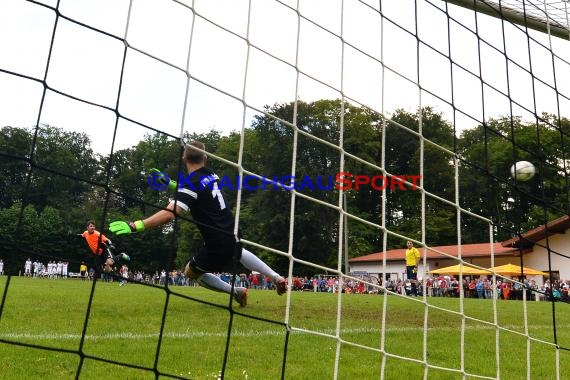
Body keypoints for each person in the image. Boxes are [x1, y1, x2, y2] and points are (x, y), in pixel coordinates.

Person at [109, 141, 287, 307]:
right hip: (232, 230)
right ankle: (276, 277)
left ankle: (237, 292)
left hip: (215, 241)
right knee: (238, 252)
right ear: (205, 158)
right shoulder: (210, 174)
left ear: (183, 158)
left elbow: (170, 213)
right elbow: (194, 189)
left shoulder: (190, 183)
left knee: (190, 272)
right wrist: (171, 184)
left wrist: (136, 225)